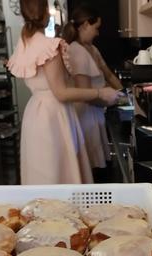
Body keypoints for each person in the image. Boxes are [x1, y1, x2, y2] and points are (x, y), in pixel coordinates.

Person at [7, 0, 118, 185]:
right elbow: (61, 92)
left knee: (43, 175)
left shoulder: (23, 43)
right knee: (61, 176)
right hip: (53, 115)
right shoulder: (49, 46)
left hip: (35, 114)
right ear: (46, 13)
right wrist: (100, 93)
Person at [62, 5, 123, 178]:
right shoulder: (77, 51)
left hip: (95, 112)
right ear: (85, 25)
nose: (98, 33)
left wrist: (124, 93)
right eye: (96, 28)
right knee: (92, 169)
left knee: (98, 164)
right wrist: (115, 99)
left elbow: (108, 74)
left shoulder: (92, 49)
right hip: (85, 116)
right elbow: (85, 93)